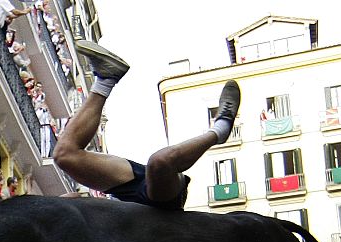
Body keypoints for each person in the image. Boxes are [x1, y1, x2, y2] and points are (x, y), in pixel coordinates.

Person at [53, 41, 240, 210]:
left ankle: (105, 79)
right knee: (160, 162)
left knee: (64, 155)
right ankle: (220, 129)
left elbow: (72, 200)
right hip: (159, 206)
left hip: (125, 194)